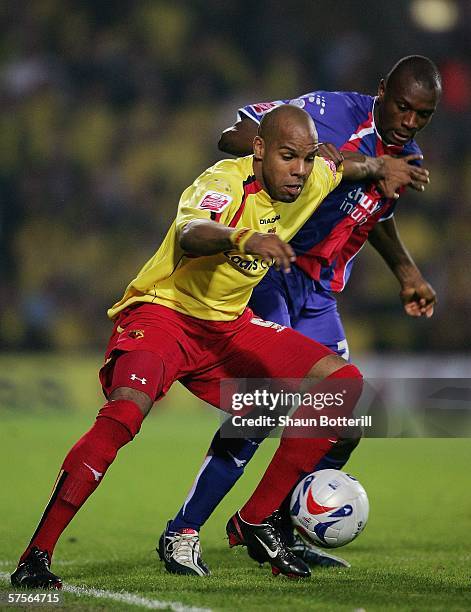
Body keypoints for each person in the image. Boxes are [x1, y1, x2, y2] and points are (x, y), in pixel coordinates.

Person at [11, 104, 425, 586]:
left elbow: (341, 167)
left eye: (307, 158)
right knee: (124, 415)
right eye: (288, 156)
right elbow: (191, 233)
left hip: (229, 327)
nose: (299, 170)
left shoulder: (312, 178)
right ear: (259, 150)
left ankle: (254, 521)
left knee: (342, 384)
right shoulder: (224, 182)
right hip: (165, 314)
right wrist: (245, 239)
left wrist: (378, 166)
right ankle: (36, 556)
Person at [158, 55, 441, 576]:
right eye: (403, 108)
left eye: (422, 115)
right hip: (273, 267)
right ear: (381, 92)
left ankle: (272, 525)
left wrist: (406, 271)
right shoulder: (329, 112)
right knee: (271, 401)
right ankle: (183, 528)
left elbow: (372, 214)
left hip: (318, 291)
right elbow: (233, 137)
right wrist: (313, 155)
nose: (409, 122)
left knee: (349, 419)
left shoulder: (408, 155)